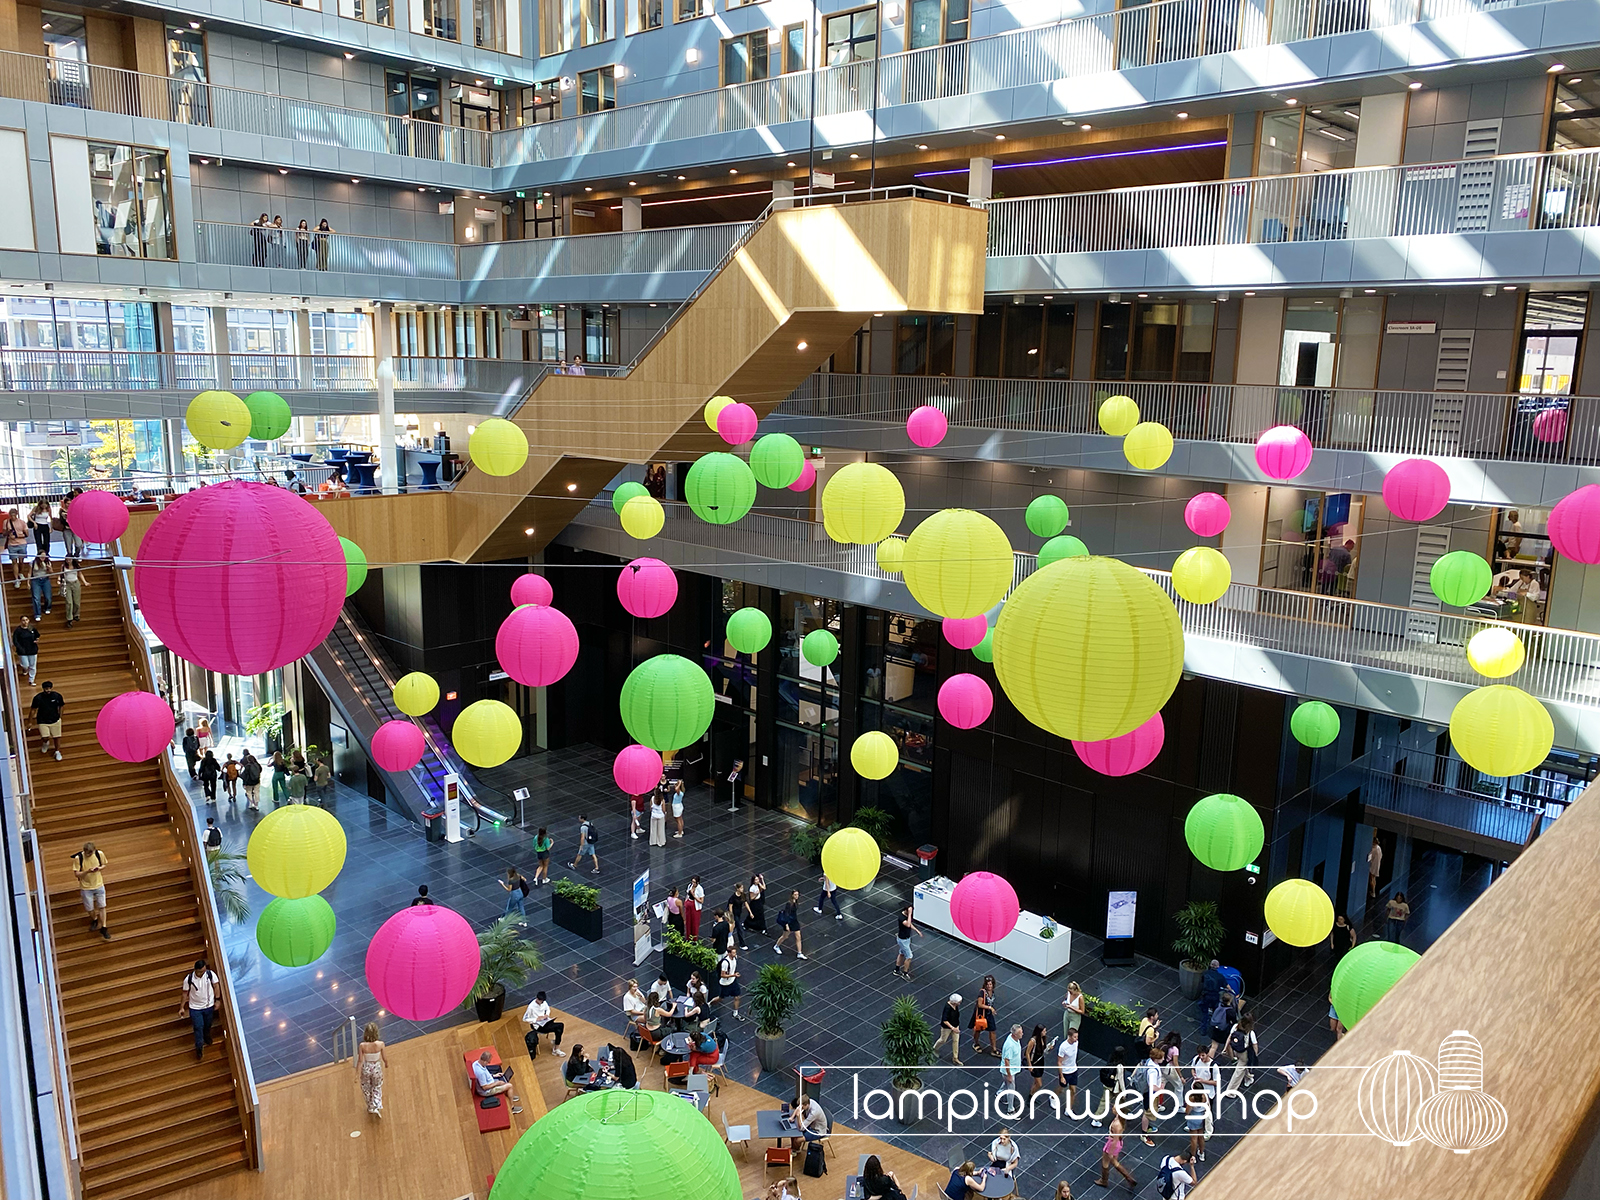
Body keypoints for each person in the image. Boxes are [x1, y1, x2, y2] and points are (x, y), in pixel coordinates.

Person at [181, 957, 222, 1060]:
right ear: (196, 970)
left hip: (208, 1006)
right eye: (200, 972)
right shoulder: (189, 979)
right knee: (198, 1027)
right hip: (195, 1008)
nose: (202, 973)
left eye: (203, 971)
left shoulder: (210, 974)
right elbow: (185, 993)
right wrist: (182, 1007)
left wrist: (217, 1000)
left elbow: (216, 986)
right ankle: (199, 1047)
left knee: (207, 1024)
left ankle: (207, 1035)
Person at [71, 841, 110, 939]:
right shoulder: (78, 858)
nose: (90, 855)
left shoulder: (99, 854)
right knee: (89, 908)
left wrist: (99, 868)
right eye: (88, 853)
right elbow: (77, 874)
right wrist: (87, 871)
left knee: (102, 906)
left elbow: (104, 865)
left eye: (91, 853)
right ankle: (95, 919)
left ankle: (104, 927)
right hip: (86, 887)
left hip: (99, 884)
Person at [1095, 1112, 1138, 1189]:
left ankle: (1104, 1180)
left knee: (1106, 1162)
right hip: (1117, 1143)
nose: (1113, 1108)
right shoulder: (1120, 1120)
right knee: (1114, 1162)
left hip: (1112, 1144)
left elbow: (1115, 1140)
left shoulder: (1117, 1124)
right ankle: (1129, 1178)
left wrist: (1110, 1152)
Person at [359, 1021, 389, 1116]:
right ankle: (376, 1104)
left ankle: (370, 1106)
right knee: (377, 1086)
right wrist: (386, 1064)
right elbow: (384, 1058)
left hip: (366, 1067)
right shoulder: (380, 1044)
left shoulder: (362, 1046)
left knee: (366, 1087)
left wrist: (357, 1074)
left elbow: (360, 1060)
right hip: (376, 1067)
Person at [523, 991, 565, 1057]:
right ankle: (556, 1047)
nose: (541, 1002)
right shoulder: (531, 1007)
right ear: (537, 998)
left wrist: (546, 1015)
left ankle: (556, 1045)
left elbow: (548, 1009)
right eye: (540, 1001)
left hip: (545, 1021)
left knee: (560, 1027)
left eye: (542, 1001)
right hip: (538, 1026)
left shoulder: (544, 1003)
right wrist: (536, 1019)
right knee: (559, 1027)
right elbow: (525, 1019)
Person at [31, 680, 65, 761]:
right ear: (43, 689)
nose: (48, 690)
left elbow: (61, 705)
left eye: (49, 688)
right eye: (46, 688)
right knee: (45, 737)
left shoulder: (57, 696)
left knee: (57, 737)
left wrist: (60, 716)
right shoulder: (38, 698)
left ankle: (57, 751)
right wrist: (30, 721)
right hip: (42, 721)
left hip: (55, 720)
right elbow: (33, 709)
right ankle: (45, 743)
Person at [1223, 1013, 1258, 1092]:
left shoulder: (1235, 1026)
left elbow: (1230, 1037)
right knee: (1238, 1072)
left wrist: (1226, 1048)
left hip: (1235, 1049)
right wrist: (1255, 1055)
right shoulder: (1250, 1032)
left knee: (1242, 1067)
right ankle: (1230, 1091)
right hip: (1244, 1053)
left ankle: (1248, 1077)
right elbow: (1255, 1045)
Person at [772, 889, 806, 959]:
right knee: (785, 936)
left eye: (798, 895)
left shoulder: (796, 902)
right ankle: (776, 946)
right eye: (795, 895)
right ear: (792, 895)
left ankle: (799, 953)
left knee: (798, 936)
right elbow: (787, 914)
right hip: (788, 921)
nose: (797, 896)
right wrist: (786, 924)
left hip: (794, 921)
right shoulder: (789, 904)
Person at [933, 993, 964, 1066]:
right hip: (947, 1027)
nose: (959, 1003)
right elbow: (945, 1020)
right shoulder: (947, 1008)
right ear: (954, 1002)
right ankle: (934, 1048)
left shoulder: (955, 1006)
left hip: (955, 1025)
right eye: (958, 1002)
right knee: (943, 1040)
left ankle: (955, 1058)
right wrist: (952, 1028)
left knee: (956, 1041)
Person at [971, 977, 998, 1056]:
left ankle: (994, 1049)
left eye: (991, 984)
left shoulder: (992, 992)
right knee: (978, 1029)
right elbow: (980, 1004)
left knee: (992, 1030)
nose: (989, 986)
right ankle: (976, 1043)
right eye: (988, 984)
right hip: (981, 1014)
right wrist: (990, 1008)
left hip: (989, 1014)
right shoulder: (982, 993)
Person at [893, 903, 921, 979]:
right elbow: (908, 924)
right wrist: (909, 914)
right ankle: (905, 973)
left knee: (901, 953)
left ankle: (897, 970)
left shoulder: (905, 916)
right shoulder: (901, 918)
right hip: (903, 940)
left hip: (906, 938)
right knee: (909, 956)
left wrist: (916, 930)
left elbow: (910, 924)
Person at [1056, 1026, 1081, 1106]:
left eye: (1077, 1037)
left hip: (1073, 1070)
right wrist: (1062, 1076)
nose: (1076, 1039)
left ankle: (1069, 1109)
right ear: (1069, 1036)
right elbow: (1059, 1062)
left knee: (1073, 1090)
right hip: (1065, 1071)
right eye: (1074, 1037)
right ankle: (1053, 1097)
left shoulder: (1076, 1043)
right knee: (1061, 1088)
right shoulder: (1063, 1047)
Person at [717, 945, 743, 1019]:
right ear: (729, 953)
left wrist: (733, 975)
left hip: (733, 981)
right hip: (725, 984)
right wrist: (733, 975)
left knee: (737, 996)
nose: (735, 954)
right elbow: (722, 975)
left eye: (735, 952)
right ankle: (710, 1003)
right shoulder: (725, 963)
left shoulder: (735, 958)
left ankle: (735, 1012)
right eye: (733, 953)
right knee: (720, 998)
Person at [1024, 1024, 1052, 1095]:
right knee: (1039, 1084)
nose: (1045, 1032)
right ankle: (1031, 1095)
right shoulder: (1033, 1041)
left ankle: (1032, 1092)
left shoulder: (1043, 1038)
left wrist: (1048, 1048)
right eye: (1044, 1031)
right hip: (1034, 1063)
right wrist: (1030, 1065)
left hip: (1040, 1061)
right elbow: (1027, 1053)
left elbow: (1042, 1050)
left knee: (1036, 1081)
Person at [12, 615, 39, 686]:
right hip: (23, 651)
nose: (25, 622)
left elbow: (37, 635)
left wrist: (36, 640)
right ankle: (24, 669)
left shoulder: (31, 628)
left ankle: (31, 680)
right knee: (25, 665)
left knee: (33, 666)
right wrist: (19, 648)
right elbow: (15, 640)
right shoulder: (18, 630)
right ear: (21, 621)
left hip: (32, 649)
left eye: (26, 620)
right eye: (23, 620)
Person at [2, 507, 25, 587]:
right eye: (11, 516)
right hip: (11, 544)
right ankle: (16, 579)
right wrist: (9, 532)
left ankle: (20, 572)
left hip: (21, 543)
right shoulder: (6, 522)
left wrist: (20, 535)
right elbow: (4, 533)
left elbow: (27, 533)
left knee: (21, 560)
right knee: (14, 561)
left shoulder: (22, 522)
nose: (12, 517)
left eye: (14, 515)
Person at [1198, 959, 1223, 1031]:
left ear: (1210, 965)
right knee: (1216, 1013)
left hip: (1206, 996)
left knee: (1205, 1013)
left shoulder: (1205, 973)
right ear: (1218, 966)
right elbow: (1226, 985)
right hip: (1215, 996)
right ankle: (1214, 1029)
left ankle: (1203, 1030)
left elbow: (1202, 981)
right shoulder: (1220, 976)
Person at [59, 556, 85, 627]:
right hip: (67, 584)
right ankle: (69, 618)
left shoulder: (76, 565)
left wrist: (84, 582)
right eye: (67, 559)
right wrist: (59, 580)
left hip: (75, 583)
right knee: (69, 602)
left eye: (69, 559)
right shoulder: (63, 566)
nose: (68, 561)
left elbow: (80, 574)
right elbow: (61, 574)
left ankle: (76, 614)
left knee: (76, 602)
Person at [28, 554, 51, 618]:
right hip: (35, 580)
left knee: (48, 597)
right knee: (36, 598)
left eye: (44, 556)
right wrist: (28, 582)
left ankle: (47, 607)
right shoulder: (33, 563)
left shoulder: (47, 562)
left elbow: (51, 572)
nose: (43, 557)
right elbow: (29, 573)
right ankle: (37, 614)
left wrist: (49, 568)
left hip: (45, 579)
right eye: (41, 556)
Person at [730, 881, 751, 948]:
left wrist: (750, 912)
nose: (742, 889)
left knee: (734, 927)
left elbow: (745, 903)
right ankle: (742, 944)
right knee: (739, 928)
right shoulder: (733, 897)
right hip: (734, 914)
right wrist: (731, 916)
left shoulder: (743, 895)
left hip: (739, 913)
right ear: (738, 889)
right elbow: (730, 906)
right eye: (741, 888)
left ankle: (728, 935)